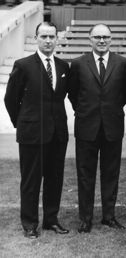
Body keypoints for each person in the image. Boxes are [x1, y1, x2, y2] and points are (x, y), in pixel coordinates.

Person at [4, 22, 70, 238]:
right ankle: (30, 223)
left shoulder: (62, 66)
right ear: (36, 38)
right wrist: (23, 123)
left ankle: (51, 219)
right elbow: (10, 99)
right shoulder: (23, 65)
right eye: (44, 36)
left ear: (57, 39)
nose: (48, 41)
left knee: (55, 179)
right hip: (32, 135)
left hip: (58, 134)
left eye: (52, 36)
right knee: (31, 180)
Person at [68, 24, 126, 233]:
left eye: (105, 37)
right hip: (87, 126)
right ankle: (86, 218)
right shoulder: (77, 64)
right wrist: (87, 112)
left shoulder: (122, 63)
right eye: (97, 37)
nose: (102, 40)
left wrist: (109, 111)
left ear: (111, 39)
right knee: (85, 173)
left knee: (111, 173)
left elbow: (125, 93)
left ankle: (109, 216)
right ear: (90, 39)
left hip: (112, 126)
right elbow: (73, 94)